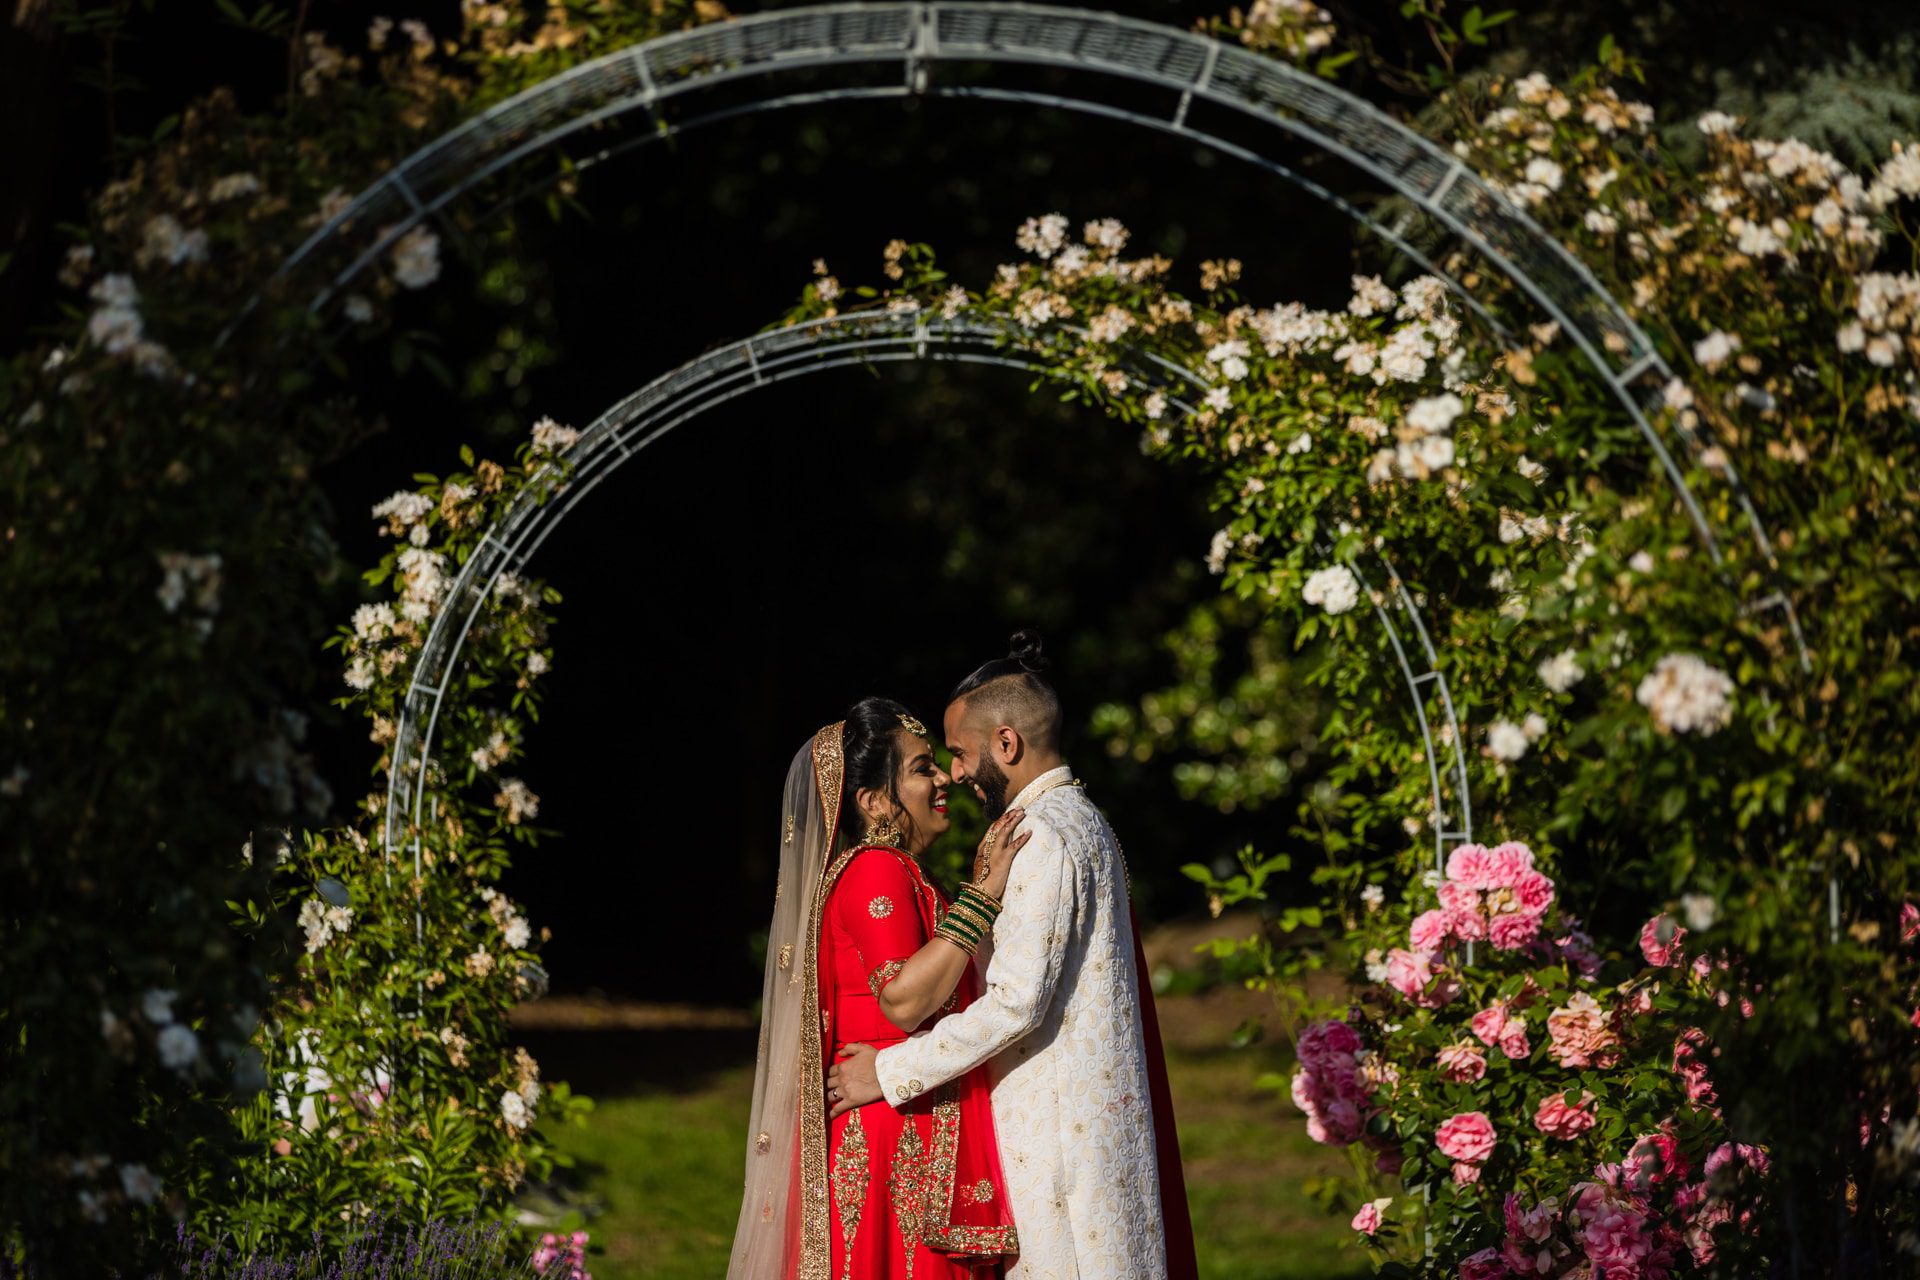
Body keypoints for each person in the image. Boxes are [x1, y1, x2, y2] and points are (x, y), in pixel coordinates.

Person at [827, 634, 1199, 1280]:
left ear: (1008, 743)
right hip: (1082, 1136)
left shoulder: (1044, 835)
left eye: (962, 755)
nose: (957, 774)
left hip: (1055, 1148)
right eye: (938, 763)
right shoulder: (1083, 820)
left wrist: (888, 1073)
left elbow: (1017, 1001)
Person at [727, 697, 1033, 1280]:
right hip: (894, 1139)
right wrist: (985, 896)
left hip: (904, 1120)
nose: (944, 777)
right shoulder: (876, 869)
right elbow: (905, 998)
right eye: (922, 768)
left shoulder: (910, 874)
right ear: (872, 802)